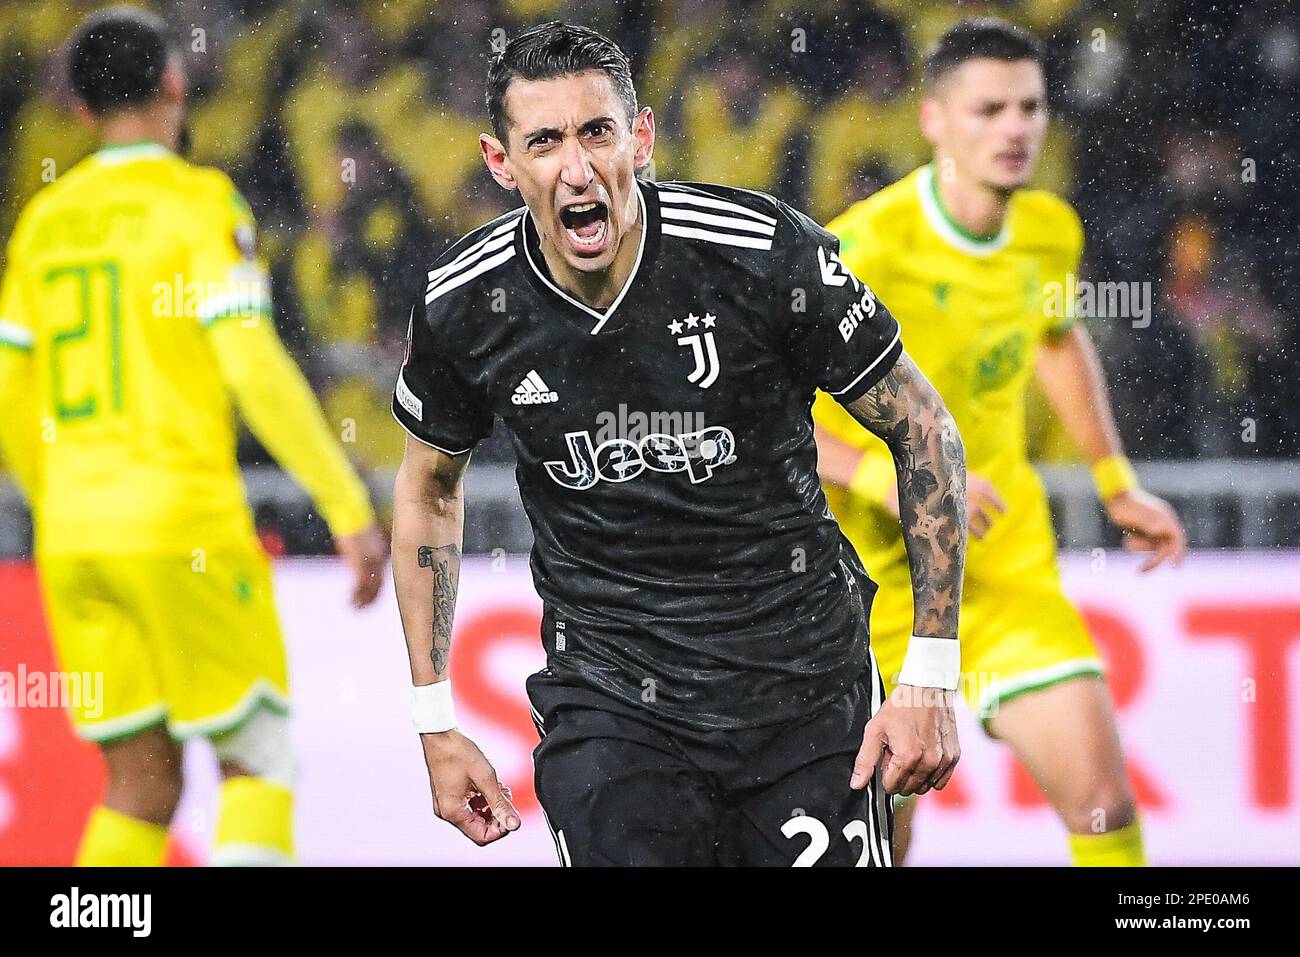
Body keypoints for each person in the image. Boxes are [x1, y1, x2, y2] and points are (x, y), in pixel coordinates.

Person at [390, 21, 968, 867]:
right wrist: (435, 720)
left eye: (598, 132)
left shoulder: (760, 254)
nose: (578, 169)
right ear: (500, 163)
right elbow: (428, 488)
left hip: (802, 690)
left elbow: (923, 427)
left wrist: (930, 671)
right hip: (614, 704)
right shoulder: (465, 305)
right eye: (545, 141)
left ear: (643, 137)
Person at [0, 6, 388, 866]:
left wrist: (63, 499)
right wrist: (344, 497)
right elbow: (252, 365)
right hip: (182, 527)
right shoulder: (198, 203)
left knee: (140, 787)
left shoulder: (44, 223)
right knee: (259, 762)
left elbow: (8, 395)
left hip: (75, 541)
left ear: (78, 105)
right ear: (175, 84)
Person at [812, 17, 1187, 866]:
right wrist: (881, 474)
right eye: (988, 110)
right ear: (934, 118)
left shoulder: (1048, 230)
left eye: (1030, 107)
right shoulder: (862, 247)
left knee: (1103, 806)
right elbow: (768, 407)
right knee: (877, 842)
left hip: (1002, 569)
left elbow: (1055, 338)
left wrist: (1115, 477)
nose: (1015, 128)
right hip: (872, 588)